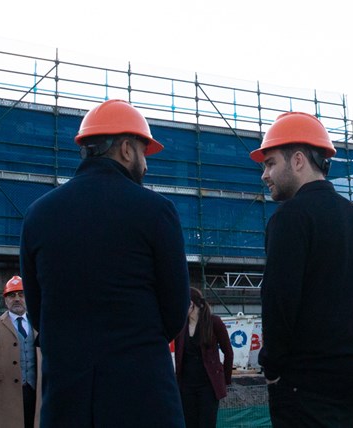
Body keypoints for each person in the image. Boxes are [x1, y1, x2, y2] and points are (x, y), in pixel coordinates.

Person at [19, 99, 188, 427]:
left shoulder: (38, 214)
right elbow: (175, 311)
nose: (146, 164)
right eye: (143, 152)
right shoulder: (155, 211)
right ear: (126, 149)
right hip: (142, 399)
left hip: (68, 403)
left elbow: (38, 311)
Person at [256, 111, 353, 427]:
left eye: (270, 163)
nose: (264, 175)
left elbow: (278, 302)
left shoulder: (290, 218)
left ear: (298, 160)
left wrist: (272, 368)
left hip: (310, 391)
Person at [174, 286, 234, 428]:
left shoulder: (214, 322)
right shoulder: (181, 326)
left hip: (208, 386)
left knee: (207, 424)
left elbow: (228, 352)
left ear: (191, 304)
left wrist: (225, 379)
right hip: (186, 387)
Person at [0, 275, 39, 428]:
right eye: (12, 295)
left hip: (35, 390)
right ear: (5, 300)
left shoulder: (39, 324)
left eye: (21, 294)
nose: (17, 299)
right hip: (6, 394)